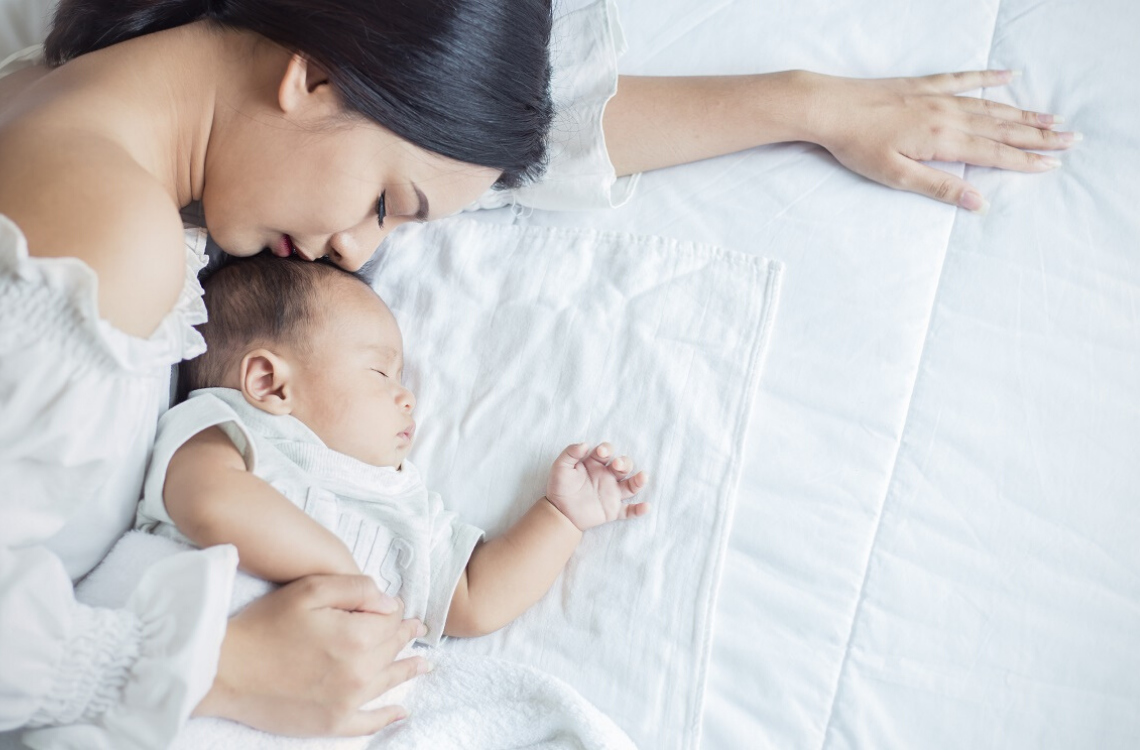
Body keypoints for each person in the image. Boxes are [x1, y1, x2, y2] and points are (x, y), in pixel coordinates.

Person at [0, 0, 1078, 746]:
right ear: (314, 74)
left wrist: (809, 105)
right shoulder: (107, 234)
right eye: (388, 204)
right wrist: (223, 671)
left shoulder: (74, 100)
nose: (363, 249)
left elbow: (510, 142)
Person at [135, 252, 648, 650]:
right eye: (381, 372)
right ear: (269, 382)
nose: (407, 397)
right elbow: (208, 501)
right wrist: (338, 569)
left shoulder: (402, 502)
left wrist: (562, 516)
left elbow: (474, 600)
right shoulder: (227, 427)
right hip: (188, 650)